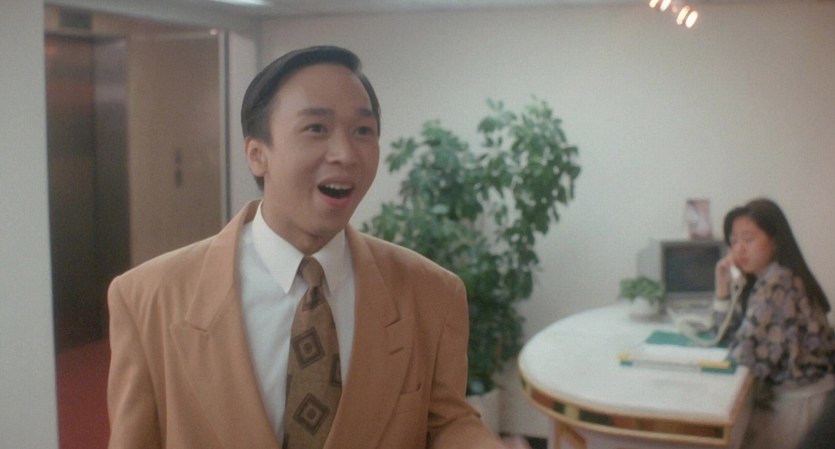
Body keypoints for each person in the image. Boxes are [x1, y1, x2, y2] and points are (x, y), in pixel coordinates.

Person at [106, 45, 505, 449]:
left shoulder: (432, 293)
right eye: (316, 128)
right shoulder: (148, 298)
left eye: (363, 131)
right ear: (257, 155)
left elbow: (446, 423)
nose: (346, 154)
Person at [712, 198, 835, 449]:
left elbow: (744, 355)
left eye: (748, 239)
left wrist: (732, 337)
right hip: (793, 397)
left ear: (775, 241)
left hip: (800, 402)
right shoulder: (770, 279)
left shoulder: (778, 283)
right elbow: (729, 336)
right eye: (734, 241)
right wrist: (723, 287)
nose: (739, 249)